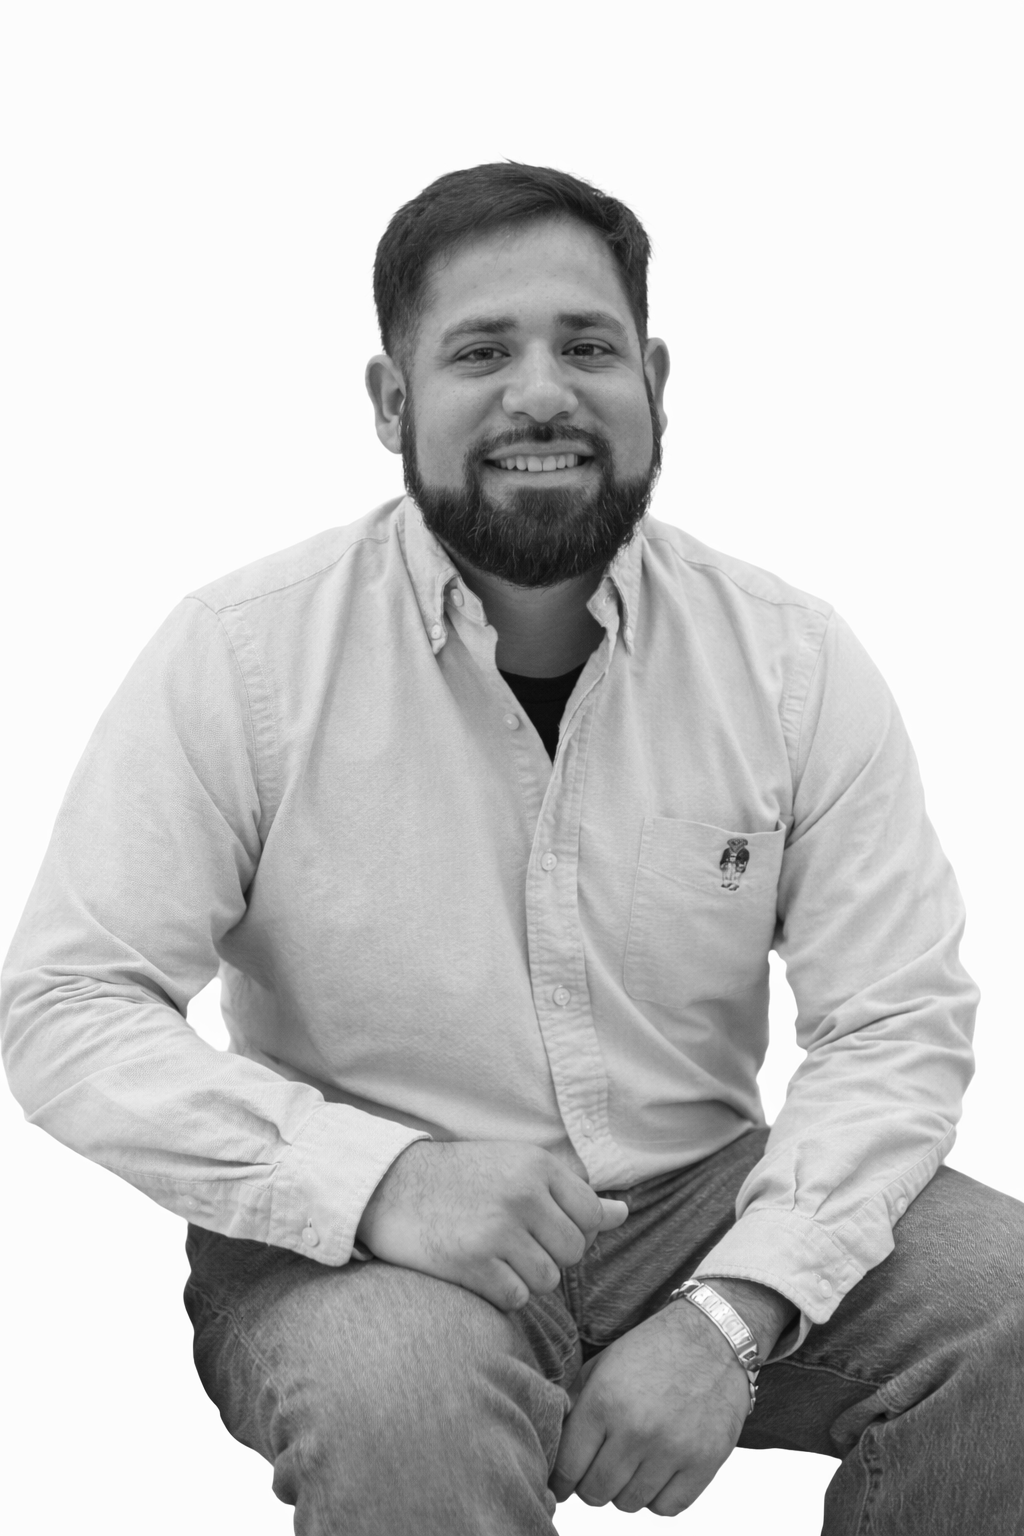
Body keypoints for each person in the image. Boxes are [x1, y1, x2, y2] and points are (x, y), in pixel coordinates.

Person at [1, 161, 1021, 1535]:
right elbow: (69, 1004)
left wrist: (735, 1307)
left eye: (587, 347)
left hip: (701, 1204)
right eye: (481, 352)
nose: (542, 394)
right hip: (365, 1241)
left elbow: (894, 1018)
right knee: (401, 1401)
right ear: (391, 401)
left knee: (1012, 1315)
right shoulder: (240, 655)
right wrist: (379, 1182)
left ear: (655, 382)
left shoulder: (791, 659)